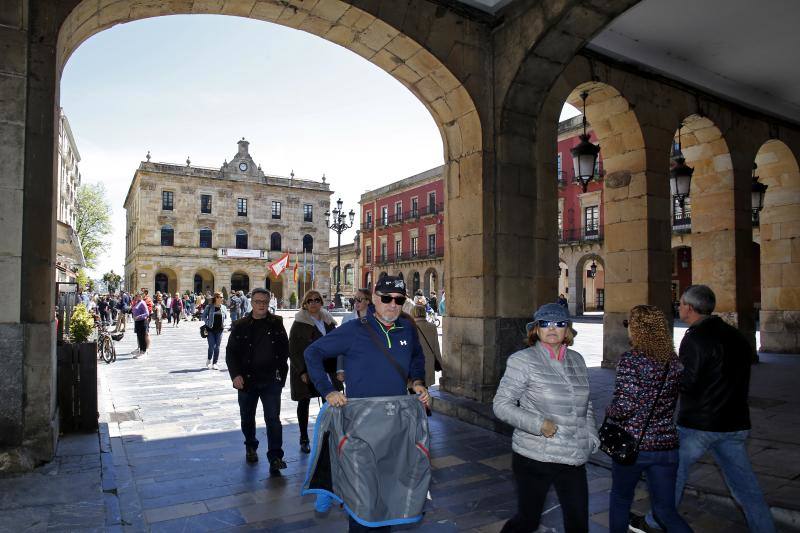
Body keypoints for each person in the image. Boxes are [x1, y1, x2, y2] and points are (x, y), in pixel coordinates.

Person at [644, 285, 775, 532]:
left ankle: (656, 522)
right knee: (746, 488)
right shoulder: (735, 335)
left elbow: (689, 382)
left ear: (691, 308)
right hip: (734, 423)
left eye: (681, 303)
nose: (679, 307)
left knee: (673, 474)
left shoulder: (694, 338)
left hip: (699, 424)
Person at [304, 275, 429, 531]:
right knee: (362, 500)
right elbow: (312, 352)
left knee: (388, 497)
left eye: (398, 300)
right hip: (360, 430)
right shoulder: (355, 330)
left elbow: (416, 357)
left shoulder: (407, 328)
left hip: (395, 430)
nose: (393, 305)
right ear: (374, 299)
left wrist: (417, 382)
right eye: (386, 299)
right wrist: (328, 390)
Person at [493, 303, 599, 533]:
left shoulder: (578, 360)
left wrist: (591, 436)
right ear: (536, 329)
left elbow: (586, 404)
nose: (553, 328)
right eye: (546, 323)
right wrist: (538, 425)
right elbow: (501, 405)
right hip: (535, 456)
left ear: (567, 330)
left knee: (579, 522)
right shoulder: (523, 361)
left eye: (559, 324)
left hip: (573, 457)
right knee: (527, 521)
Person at [606, 305, 692, 533]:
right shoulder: (673, 361)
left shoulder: (631, 359)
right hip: (666, 446)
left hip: (634, 446)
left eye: (629, 325)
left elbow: (624, 406)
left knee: (621, 499)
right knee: (665, 511)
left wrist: (610, 410)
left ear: (636, 329)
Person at [226, 287, 290, 471]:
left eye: (264, 301)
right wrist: (235, 375)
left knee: (273, 419)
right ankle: (251, 445)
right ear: (251, 303)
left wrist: (281, 374)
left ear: (269, 302)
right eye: (257, 301)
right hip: (247, 380)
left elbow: (284, 348)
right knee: (247, 418)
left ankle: (276, 456)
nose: (261, 305)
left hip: (271, 380)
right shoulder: (240, 325)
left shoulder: (277, 322)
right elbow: (231, 353)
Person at [288, 289, 340, 455]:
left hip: (328, 369)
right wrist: (302, 371)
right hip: (307, 369)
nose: (313, 303)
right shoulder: (299, 323)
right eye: (310, 300)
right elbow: (294, 350)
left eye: (317, 300)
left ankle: (330, 435)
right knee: (304, 402)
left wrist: (340, 368)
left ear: (321, 302)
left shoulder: (329, 320)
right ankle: (304, 438)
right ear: (305, 303)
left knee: (331, 402)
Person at [411, 303, 441, 387]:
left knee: (414, 390)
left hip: (414, 364)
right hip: (429, 362)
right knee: (425, 390)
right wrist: (439, 362)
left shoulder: (410, 327)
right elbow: (436, 347)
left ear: (413, 313)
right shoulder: (432, 326)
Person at [202, 292, 228, 370]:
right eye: (220, 297)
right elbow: (203, 316)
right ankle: (209, 359)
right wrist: (208, 323)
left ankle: (215, 363)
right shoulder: (209, 307)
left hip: (219, 330)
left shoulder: (223, 307)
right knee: (211, 346)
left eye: (222, 297)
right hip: (210, 330)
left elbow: (226, 317)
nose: (221, 298)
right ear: (216, 298)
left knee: (217, 347)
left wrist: (224, 324)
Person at [131, 293, 149, 358]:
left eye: (139, 296)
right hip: (137, 321)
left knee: (142, 336)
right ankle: (141, 351)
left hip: (142, 321)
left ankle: (143, 351)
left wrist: (138, 316)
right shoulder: (137, 302)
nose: (138, 296)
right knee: (139, 336)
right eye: (137, 295)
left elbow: (147, 313)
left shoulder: (142, 303)